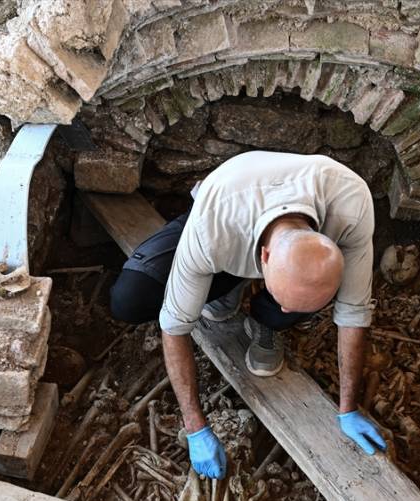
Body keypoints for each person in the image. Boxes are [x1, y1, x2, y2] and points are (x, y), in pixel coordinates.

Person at [109, 150, 386, 479]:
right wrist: (195, 428)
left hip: (265, 236)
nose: (286, 309)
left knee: (293, 304)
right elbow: (174, 326)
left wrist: (348, 409)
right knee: (129, 299)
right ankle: (227, 284)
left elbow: (353, 312)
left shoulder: (352, 206)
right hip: (227, 210)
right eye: (281, 298)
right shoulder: (212, 228)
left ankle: (263, 315)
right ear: (264, 257)